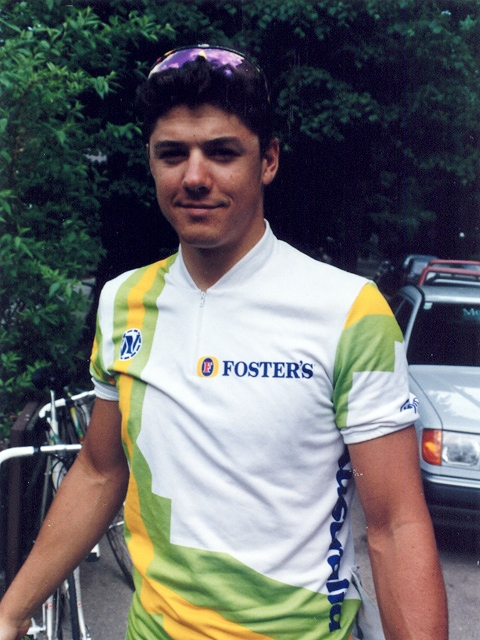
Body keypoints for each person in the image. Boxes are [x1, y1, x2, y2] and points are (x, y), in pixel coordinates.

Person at [0, 45, 447, 640]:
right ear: (151, 162)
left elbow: (395, 527)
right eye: (172, 154)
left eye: (222, 152)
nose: (194, 177)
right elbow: (101, 471)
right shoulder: (123, 300)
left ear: (269, 160)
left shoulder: (348, 311)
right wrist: (12, 610)